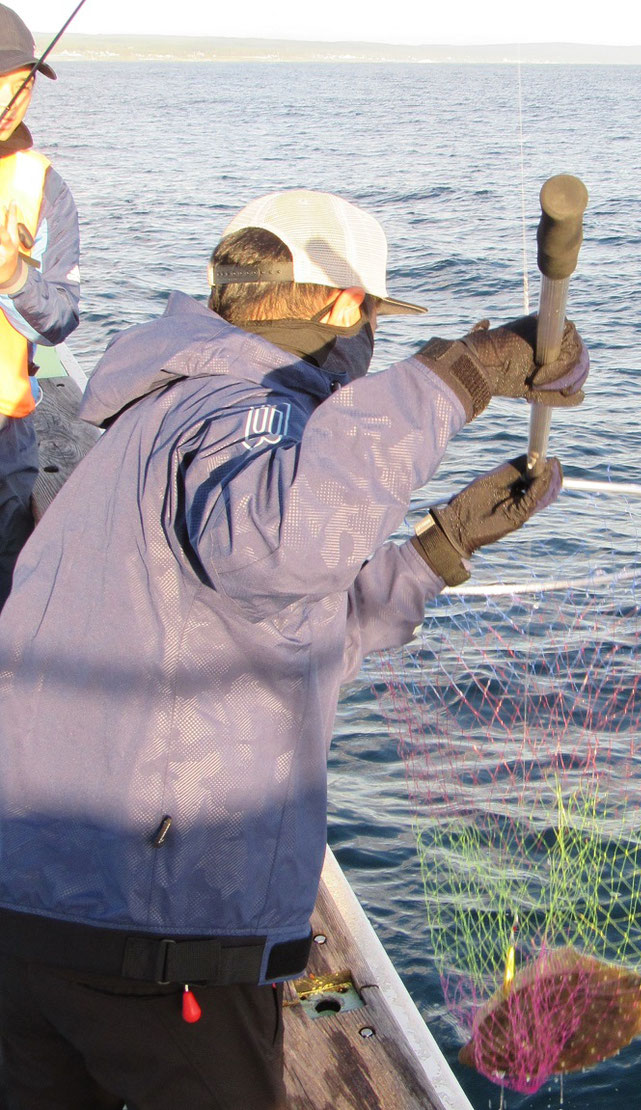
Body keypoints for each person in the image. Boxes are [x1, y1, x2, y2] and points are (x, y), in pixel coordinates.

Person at [0, 187, 588, 1109]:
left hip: (36, 915)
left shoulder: (158, 422)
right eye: (372, 327)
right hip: (154, 937)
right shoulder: (244, 412)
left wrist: (440, 550)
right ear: (347, 310)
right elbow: (279, 545)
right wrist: (460, 374)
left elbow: (279, 636)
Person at [0, 2, 80, 610]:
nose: (16, 95)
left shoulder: (44, 187)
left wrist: (12, 275)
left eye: (25, 80)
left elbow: (59, 321)